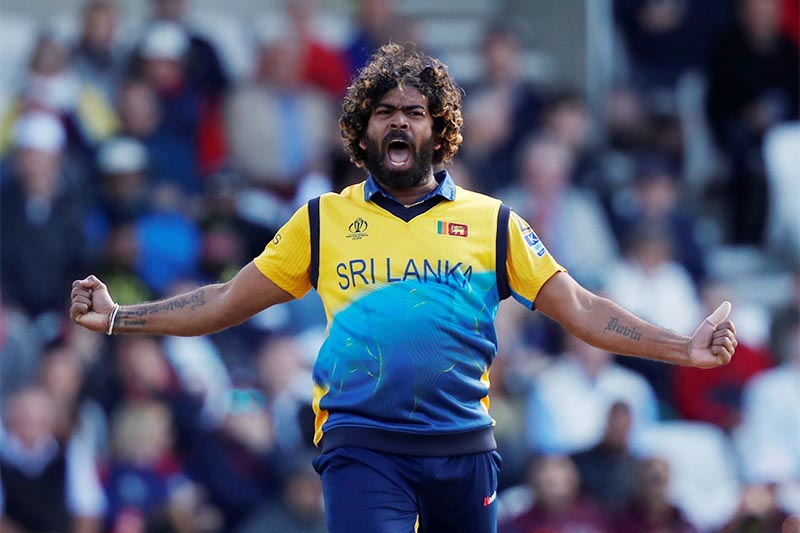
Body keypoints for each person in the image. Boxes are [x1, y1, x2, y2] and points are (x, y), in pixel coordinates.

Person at [69, 44, 738, 533]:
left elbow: (582, 308)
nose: (398, 123)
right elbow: (221, 301)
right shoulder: (322, 221)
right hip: (364, 446)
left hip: (465, 449)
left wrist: (684, 347)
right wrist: (120, 317)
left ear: (438, 127)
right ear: (362, 129)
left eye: (414, 112)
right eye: (384, 111)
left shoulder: (492, 221)